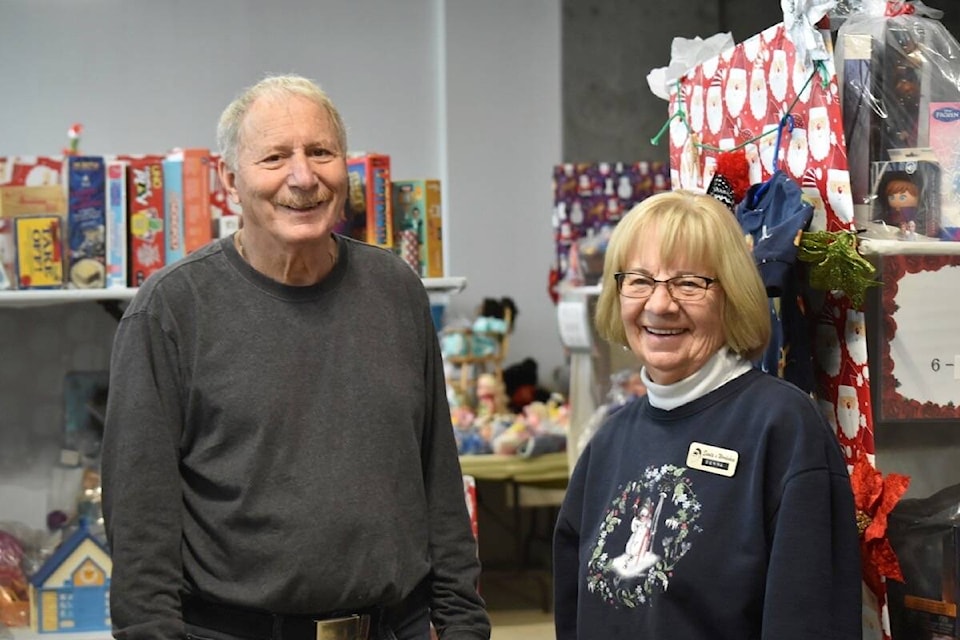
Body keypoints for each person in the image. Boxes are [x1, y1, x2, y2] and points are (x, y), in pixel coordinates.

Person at [101, 74, 490, 640]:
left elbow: (438, 478)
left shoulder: (397, 290)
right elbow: (141, 526)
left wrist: (464, 626)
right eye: (275, 157)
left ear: (345, 166)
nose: (303, 177)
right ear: (228, 178)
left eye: (321, 152)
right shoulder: (170, 311)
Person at [553, 190, 861, 639]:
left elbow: (811, 619)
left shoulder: (780, 427)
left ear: (731, 295)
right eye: (639, 280)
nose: (659, 305)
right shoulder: (609, 441)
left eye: (689, 283)